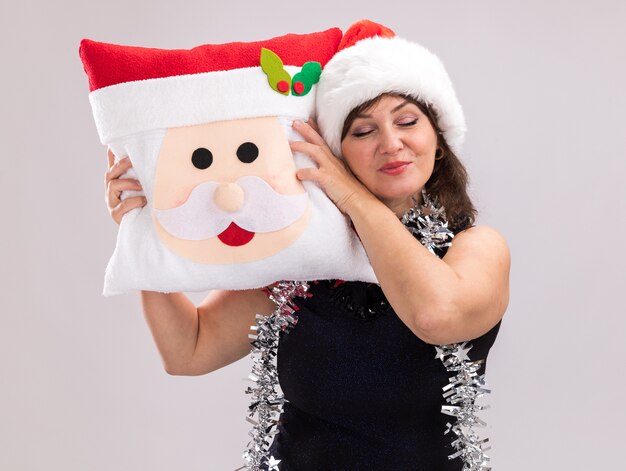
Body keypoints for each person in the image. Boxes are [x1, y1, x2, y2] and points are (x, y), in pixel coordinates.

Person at [104, 20, 509, 471]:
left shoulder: (476, 249)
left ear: (439, 143)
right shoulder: (303, 262)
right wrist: (147, 229)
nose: (391, 144)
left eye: (408, 121)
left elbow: (435, 315)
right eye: (362, 131)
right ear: (335, 151)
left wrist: (350, 196)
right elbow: (188, 350)